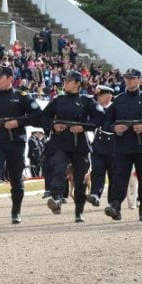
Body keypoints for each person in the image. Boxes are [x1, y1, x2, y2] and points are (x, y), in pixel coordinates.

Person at [0, 66, 42, 224]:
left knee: (16, 179)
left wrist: (18, 122)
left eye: (0, 77)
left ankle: (16, 211)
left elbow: (38, 115)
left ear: (10, 79)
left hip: (16, 143)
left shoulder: (23, 96)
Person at [103, 68, 142, 221]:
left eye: (132, 78)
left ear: (140, 80)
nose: (129, 81)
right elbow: (106, 122)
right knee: (119, 177)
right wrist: (114, 128)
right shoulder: (118, 100)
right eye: (127, 78)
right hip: (122, 146)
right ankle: (116, 206)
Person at [40, 70, 105, 222]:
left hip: (79, 143)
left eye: (69, 81)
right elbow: (44, 116)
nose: (65, 83)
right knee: (58, 168)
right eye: (65, 80)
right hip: (61, 141)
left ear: (77, 83)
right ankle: (56, 199)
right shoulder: (58, 100)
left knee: (80, 179)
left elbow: (100, 117)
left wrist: (84, 127)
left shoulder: (87, 101)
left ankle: (79, 211)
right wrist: (53, 126)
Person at [87, 85, 115, 207]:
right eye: (97, 96)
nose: (98, 98)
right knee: (97, 171)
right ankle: (95, 195)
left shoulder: (116, 109)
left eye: (101, 95)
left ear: (109, 96)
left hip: (114, 148)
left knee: (114, 176)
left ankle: (113, 202)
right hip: (97, 147)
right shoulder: (94, 109)